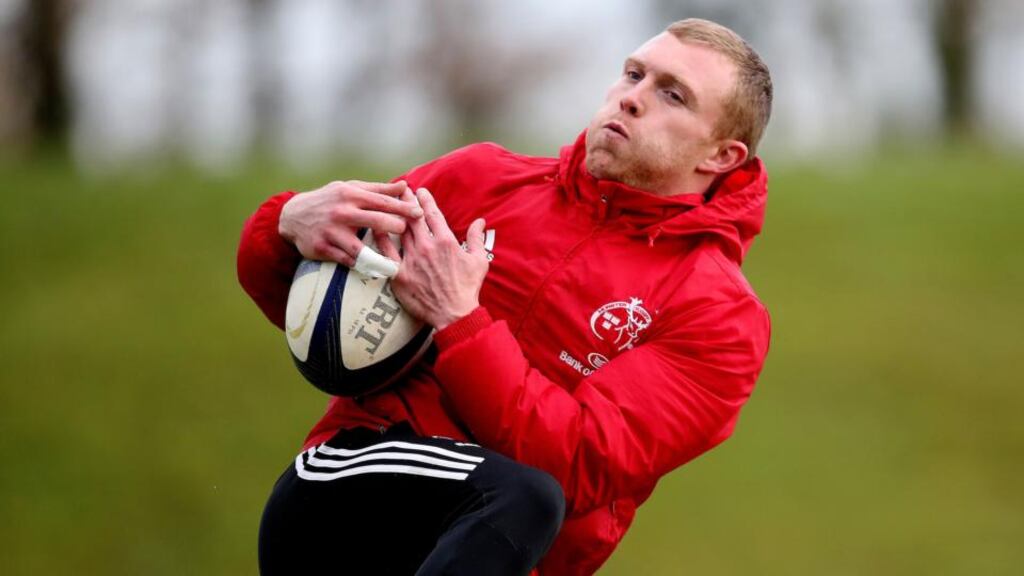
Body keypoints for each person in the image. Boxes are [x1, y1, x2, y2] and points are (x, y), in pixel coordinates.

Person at [238, 18, 773, 576]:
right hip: (347, 491)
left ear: (722, 157)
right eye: (633, 74)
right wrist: (286, 223)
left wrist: (459, 321)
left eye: (672, 95)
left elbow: (578, 467)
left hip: (494, 553)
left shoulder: (721, 317)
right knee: (521, 497)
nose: (633, 99)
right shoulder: (480, 179)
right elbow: (314, 310)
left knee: (531, 496)